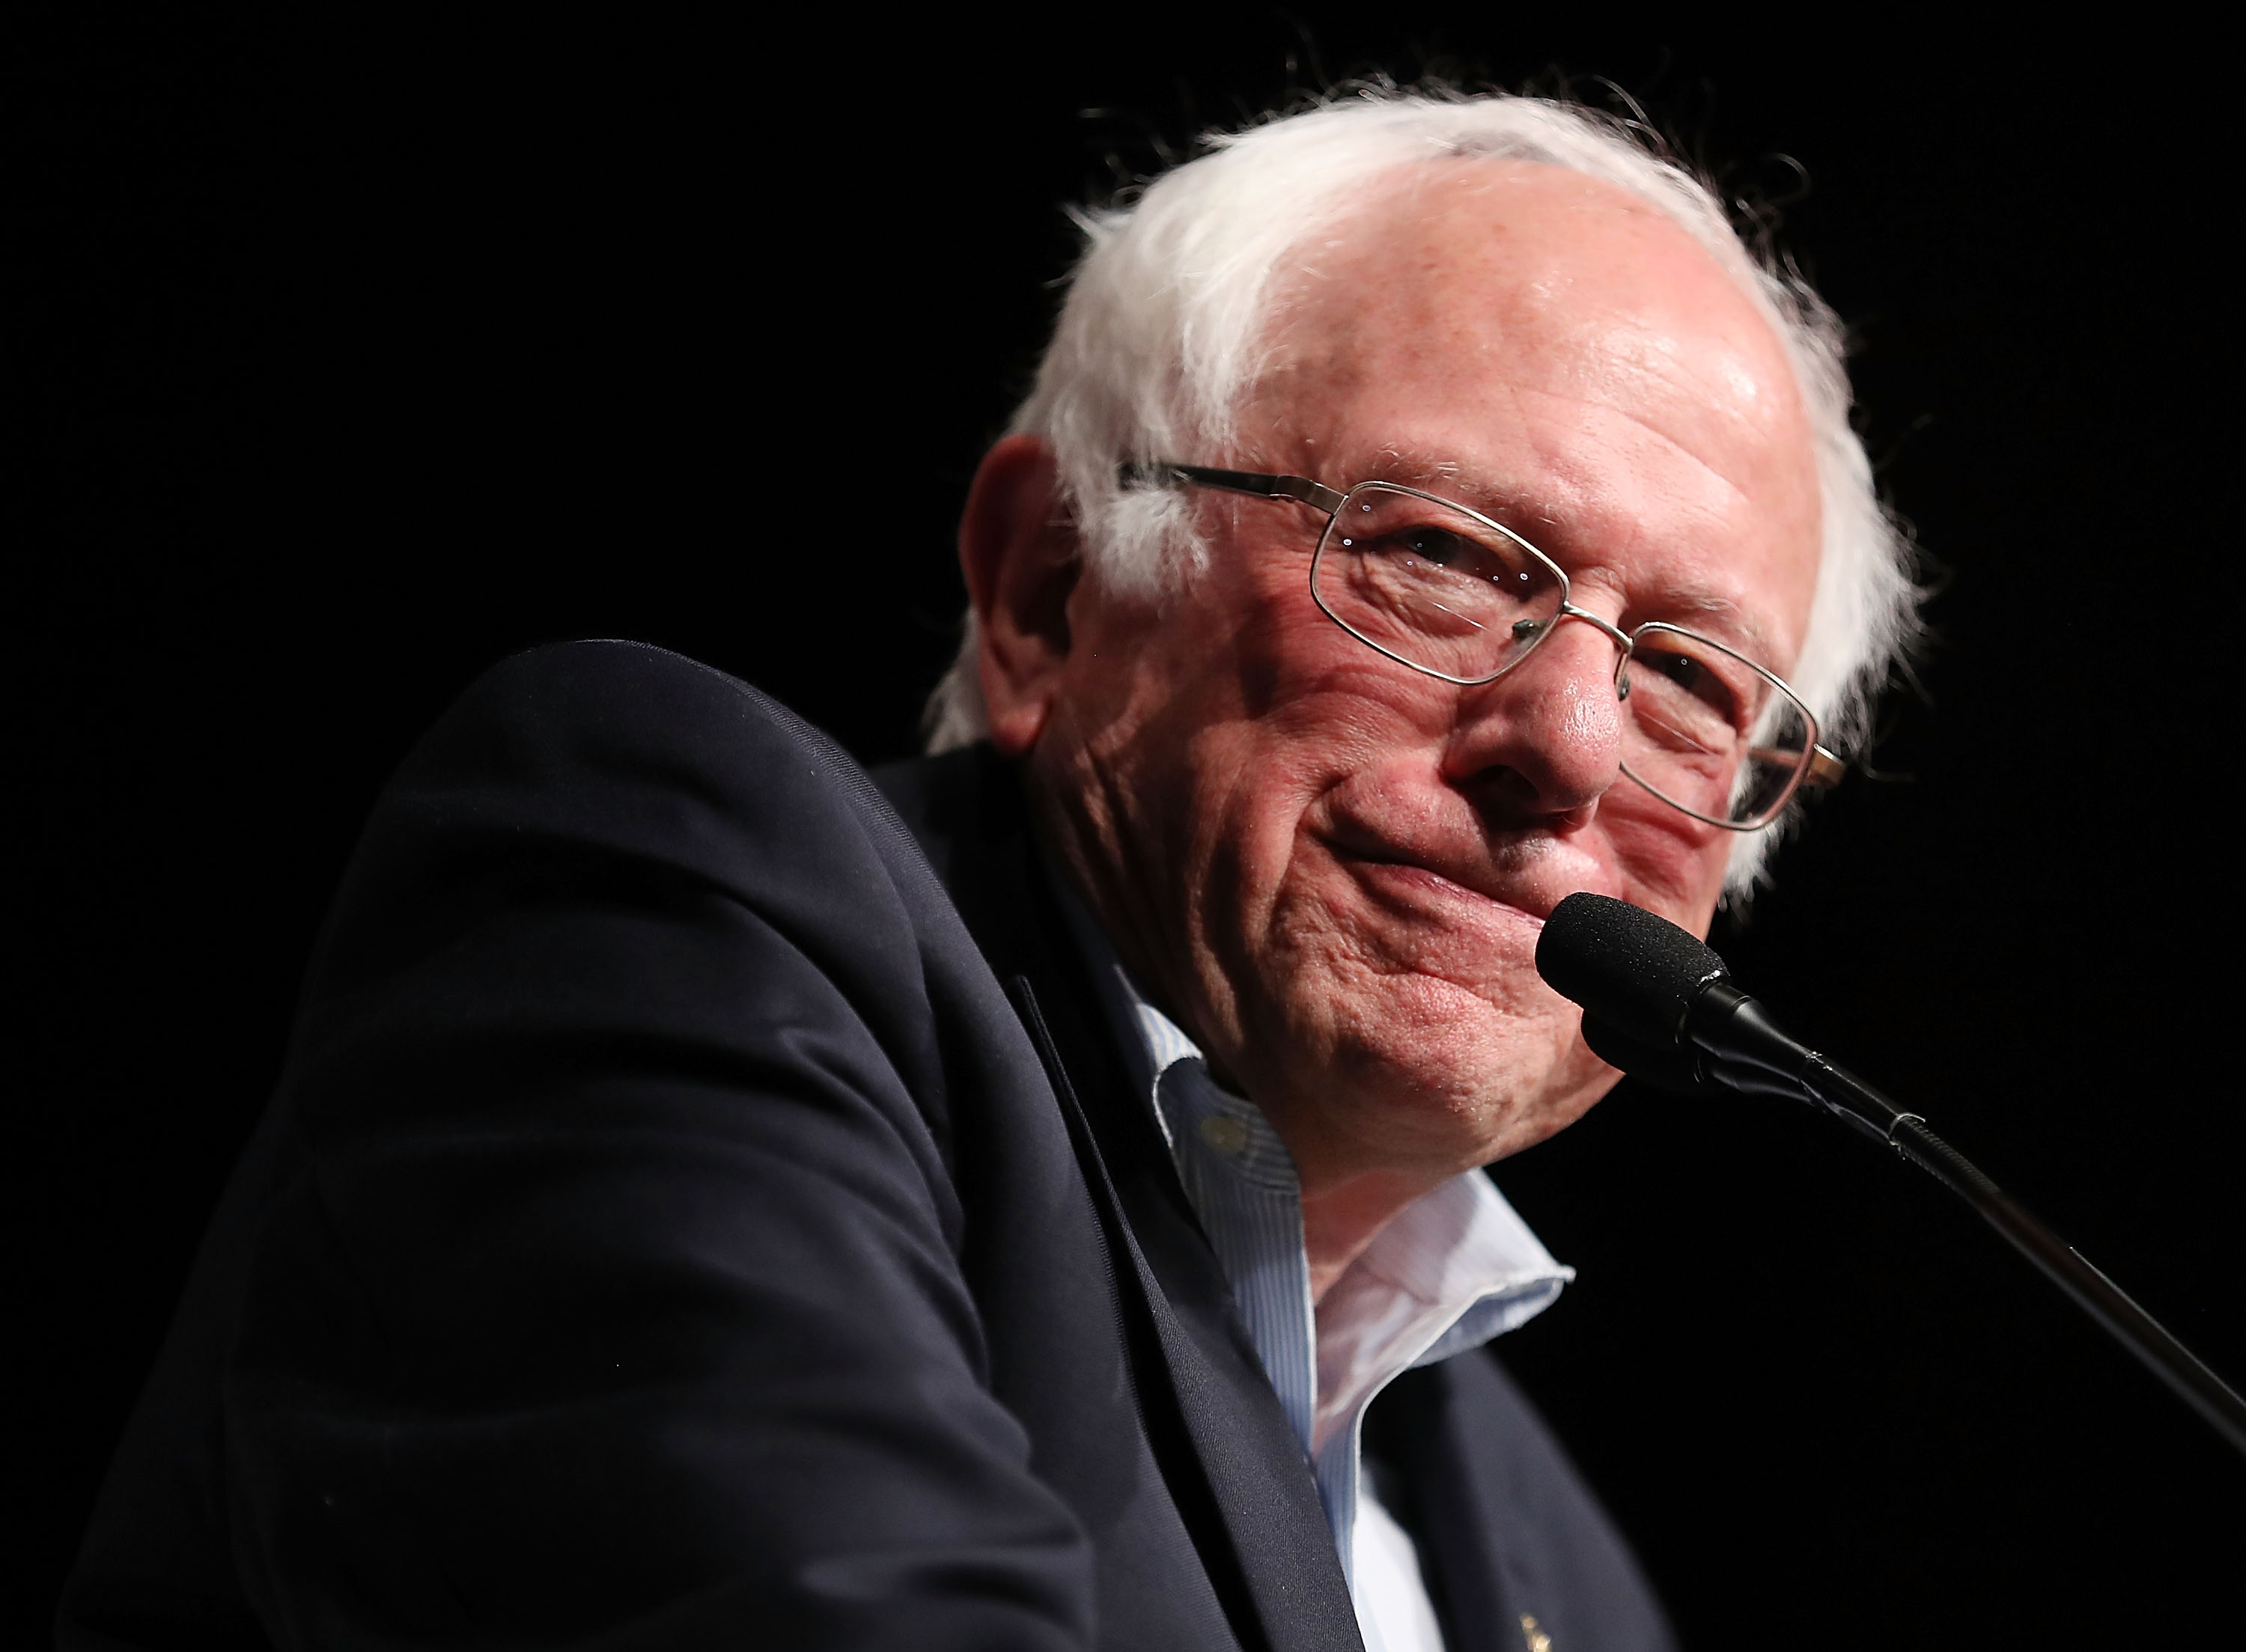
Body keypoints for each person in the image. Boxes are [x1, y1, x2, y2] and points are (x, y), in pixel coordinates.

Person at [59, 91, 1917, 1651]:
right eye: (1440, 554)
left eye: (1689, 678)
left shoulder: (1561, 1570)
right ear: (1050, 590)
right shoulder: (664, 906)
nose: (1572, 744)